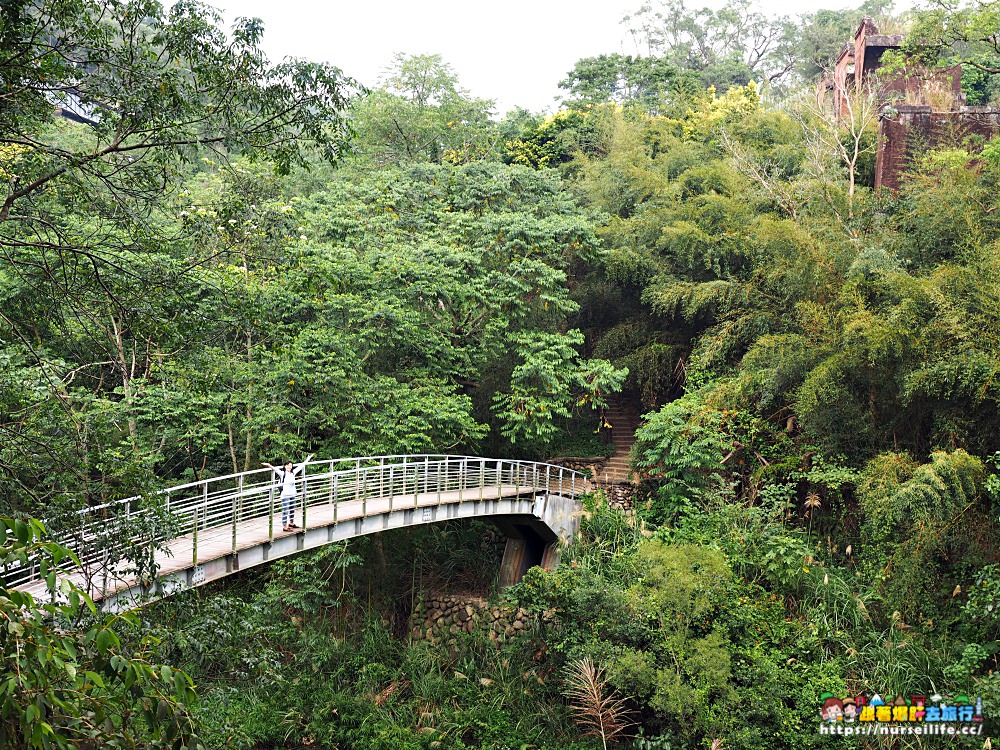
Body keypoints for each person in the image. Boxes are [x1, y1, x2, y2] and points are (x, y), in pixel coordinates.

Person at [262, 454, 314, 532]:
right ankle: (285, 526)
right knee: (285, 510)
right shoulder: (283, 474)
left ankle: (291, 523)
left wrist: (308, 458)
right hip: (285, 495)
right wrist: (268, 465)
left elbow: (302, 466)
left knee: (292, 509)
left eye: (291, 465)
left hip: (292, 494)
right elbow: (275, 469)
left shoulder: (293, 473)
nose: (290, 467)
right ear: (285, 466)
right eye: (288, 465)